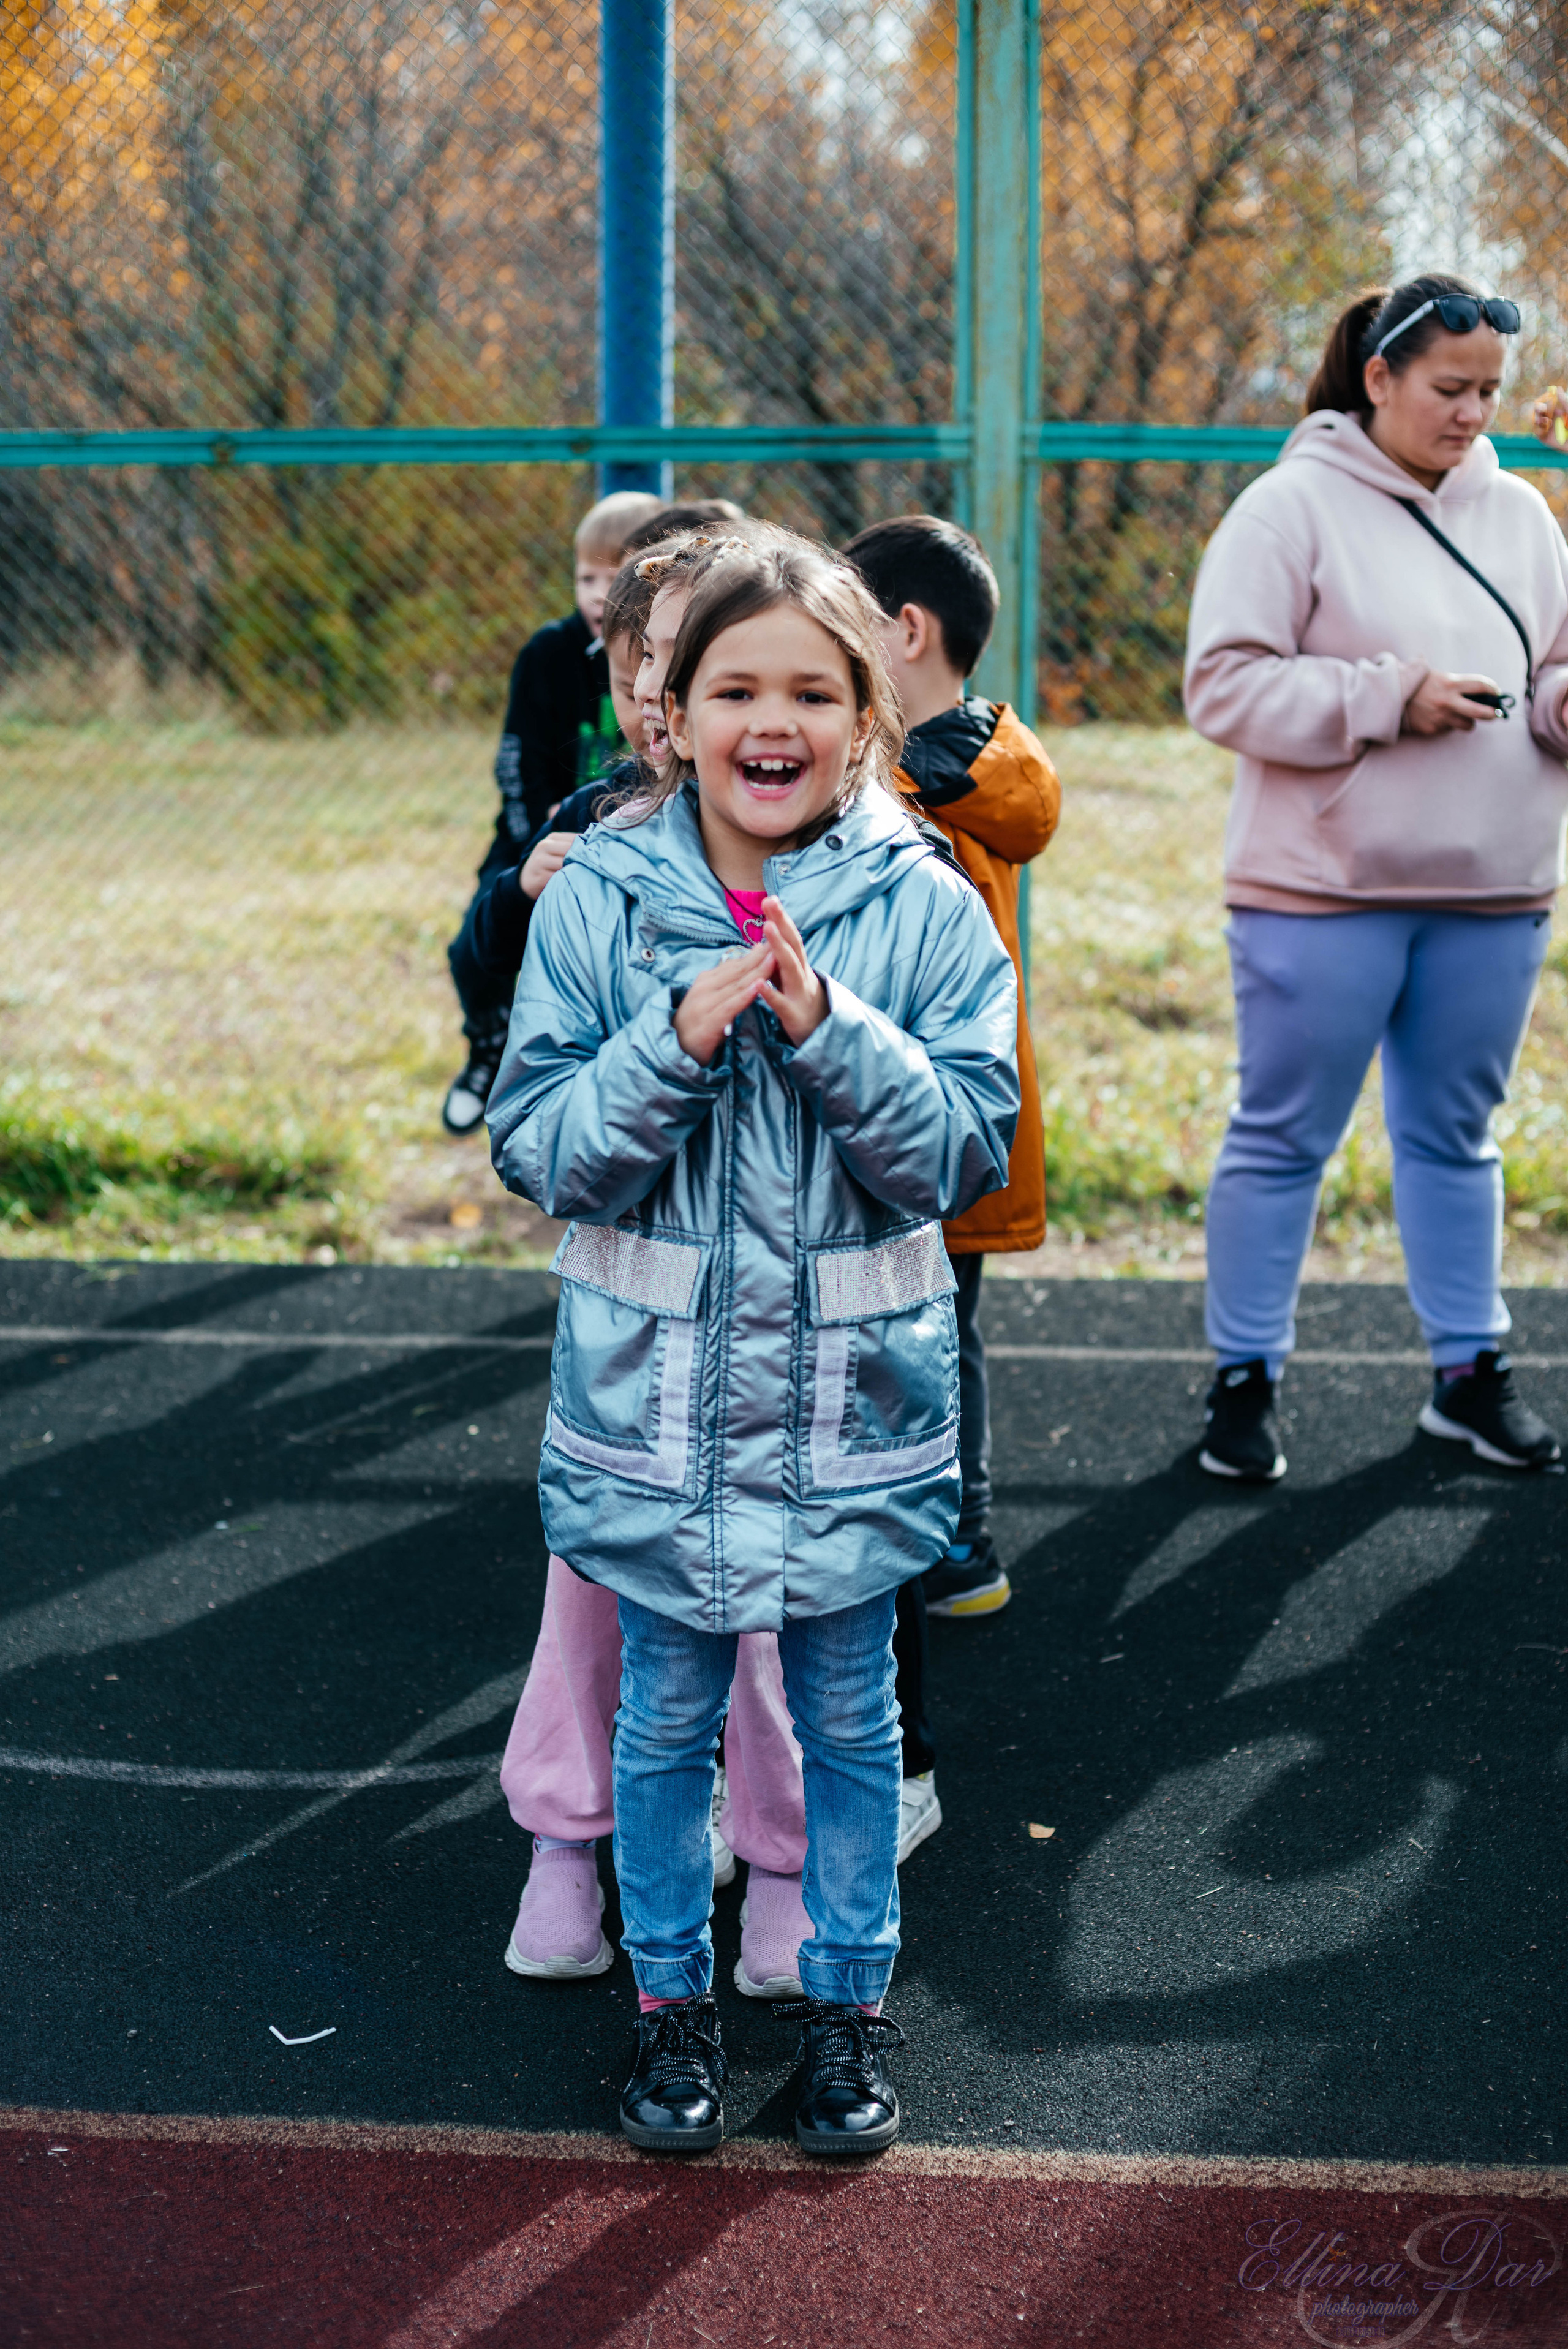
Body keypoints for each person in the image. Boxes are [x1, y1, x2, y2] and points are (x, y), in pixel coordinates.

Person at [488, 534, 1019, 2154]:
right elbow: (545, 1149)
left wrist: (828, 1031)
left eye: (811, 688)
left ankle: (847, 2015)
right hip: (657, 1423)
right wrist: (675, 1040)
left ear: (866, 718)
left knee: (852, 1721)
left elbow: (962, 1153)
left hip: (850, 1420)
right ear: (672, 714)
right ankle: (673, 2018)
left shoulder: (927, 905)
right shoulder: (599, 903)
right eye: (735, 688)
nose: (769, 719)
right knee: (661, 1726)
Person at [1185, 274, 1567, 1479]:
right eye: (1447, 390)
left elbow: (1547, 667)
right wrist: (1382, 696)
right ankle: (1241, 1381)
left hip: (1493, 889)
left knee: (1456, 1138)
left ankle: (1467, 1372)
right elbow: (1222, 685)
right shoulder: (1285, 510)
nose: (1469, 416)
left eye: (1486, 394)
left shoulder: (1520, 517)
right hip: (1320, 891)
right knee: (1281, 1135)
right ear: (1377, 378)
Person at [845, 515, 1060, 1631]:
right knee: (882, 1322)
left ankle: (955, 1535)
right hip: (859, 1104)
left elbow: (1027, 803)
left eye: (844, 618)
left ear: (907, 629)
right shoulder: (851, 755)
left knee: (935, 1324)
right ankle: (896, 1525)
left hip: (937, 1117)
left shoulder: (977, 765)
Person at [440, 488, 665, 1137]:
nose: (598, 593)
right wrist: (533, 826)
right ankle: (485, 1045)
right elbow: (517, 757)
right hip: (541, 833)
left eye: (613, 576)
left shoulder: (661, 654)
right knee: (474, 943)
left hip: (619, 839)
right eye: (586, 577)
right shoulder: (548, 653)